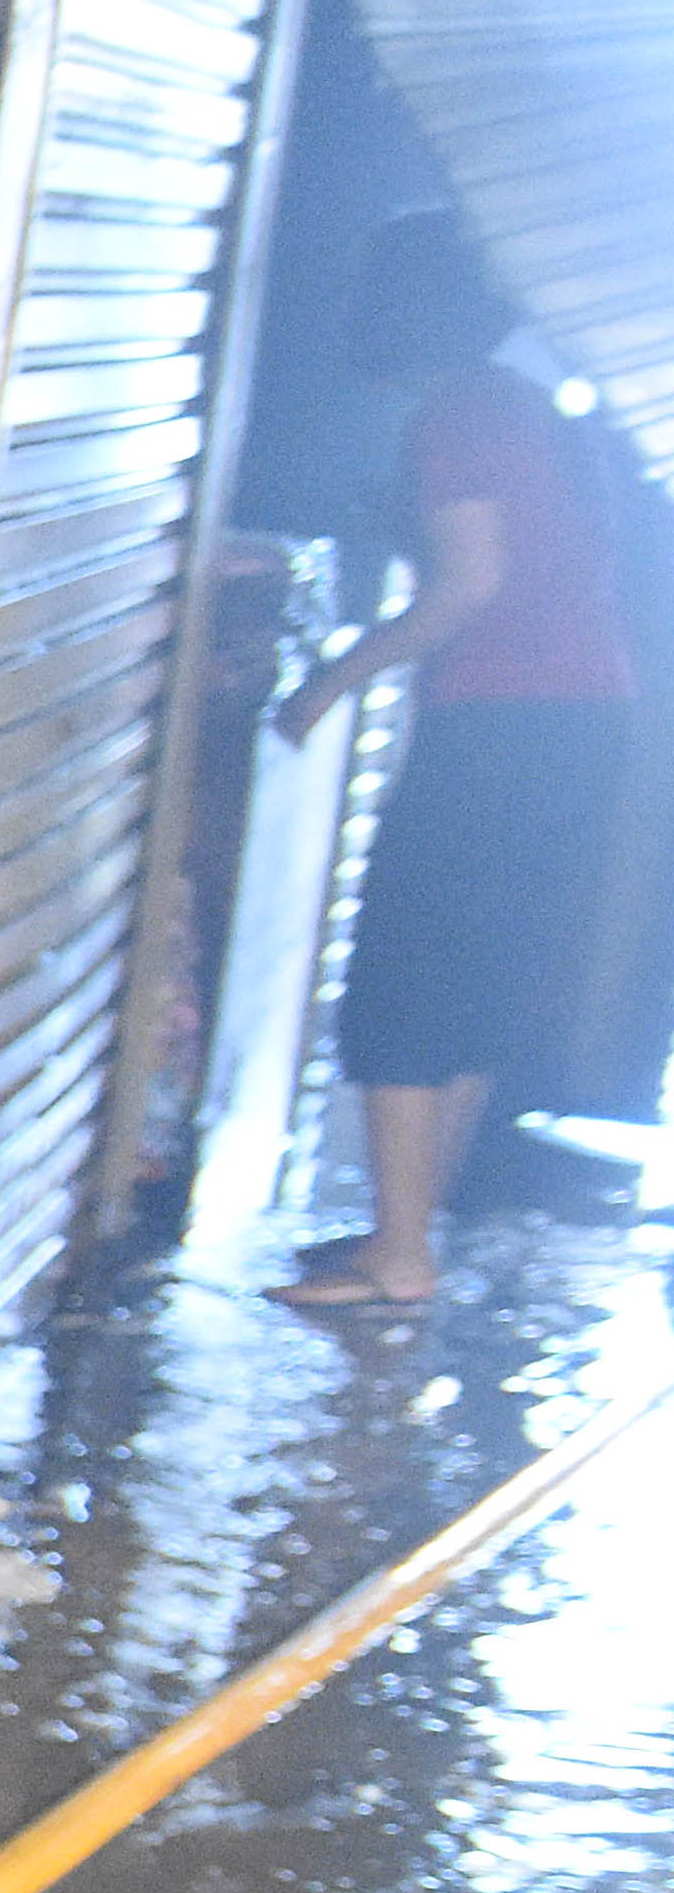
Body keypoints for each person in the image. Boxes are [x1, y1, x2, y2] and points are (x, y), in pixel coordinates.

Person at [272, 213, 640, 1317]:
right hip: (582, 721)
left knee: (400, 973)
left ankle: (398, 1259)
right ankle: (406, 1232)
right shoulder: (531, 407)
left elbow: (468, 584)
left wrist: (329, 680)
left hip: (504, 724)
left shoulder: (461, 415)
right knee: (479, 978)